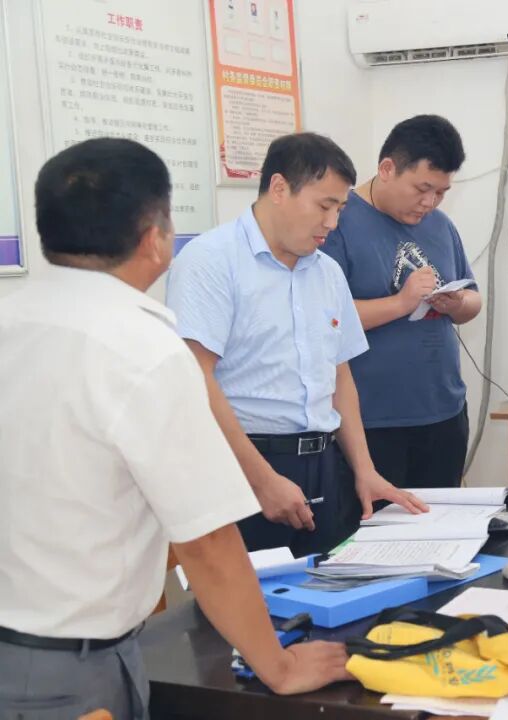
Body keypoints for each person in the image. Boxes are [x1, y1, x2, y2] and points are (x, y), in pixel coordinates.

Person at [0, 138, 350, 719]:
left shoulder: (11, 318)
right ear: (155, 238)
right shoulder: (143, 348)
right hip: (69, 674)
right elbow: (205, 541)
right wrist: (281, 667)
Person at [167, 133, 426, 557]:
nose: (332, 223)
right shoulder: (211, 260)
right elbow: (196, 379)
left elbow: (339, 375)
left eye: (340, 209)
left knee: (334, 592)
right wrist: (262, 480)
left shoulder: (327, 272)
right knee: (252, 597)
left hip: (324, 466)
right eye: (324, 206)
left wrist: (364, 469)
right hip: (243, 466)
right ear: (279, 188)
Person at [322, 115, 481, 490]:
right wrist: (401, 302)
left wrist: (456, 304)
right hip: (373, 423)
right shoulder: (337, 222)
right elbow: (326, 320)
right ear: (387, 169)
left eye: (441, 192)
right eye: (422, 188)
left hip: (444, 413)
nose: (430, 202)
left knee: (444, 521)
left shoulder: (440, 225)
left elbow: (474, 299)